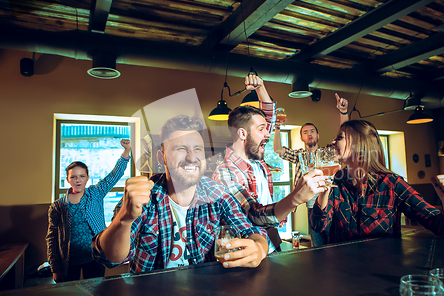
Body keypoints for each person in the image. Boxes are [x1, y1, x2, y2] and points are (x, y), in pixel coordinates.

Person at [92, 115, 283, 274]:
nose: (192, 157)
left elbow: (253, 232)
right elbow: (110, 259)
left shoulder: (217, 194)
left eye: (198, 149)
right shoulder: (145, 197)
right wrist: (123, 220)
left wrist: (258, 248)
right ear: (162, 157)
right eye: (181, 149)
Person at [213, 74, 327, 252]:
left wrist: (260, 88)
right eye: (261, 130)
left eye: (266, 129)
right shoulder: (225, 173)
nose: (267, 134)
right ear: (242, 134)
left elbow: (268, 120)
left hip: (272, 244)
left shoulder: (256, 161)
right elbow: (255, 215)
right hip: (246, 254)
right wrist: (297, 196)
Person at [310, 120, 444, 244]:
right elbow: (318, 226)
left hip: (380, 272)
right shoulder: (336, 181)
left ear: (359, 143)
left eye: (340, 137)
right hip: (340, 273)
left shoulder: (392, 184)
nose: (333, 141)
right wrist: (324, 191)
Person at [46, 139, 131, 283]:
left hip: (95, 256)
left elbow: (114, 176)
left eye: (82, 176)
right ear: (67, 179)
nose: (77, 180)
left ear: (87, 178)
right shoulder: (58, 206)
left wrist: (127, 151)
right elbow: (52, 238)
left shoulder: (96, 193)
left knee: (96, 293)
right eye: (73, 177)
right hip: (68, 261)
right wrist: (55, 268)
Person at [273, 93, 348, 247]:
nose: (309, 134)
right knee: (318, 246)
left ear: (318, 135)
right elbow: (278, 150)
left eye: (312, 131)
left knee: (335, 244)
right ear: (302, 138)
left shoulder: (328, 152)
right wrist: (277, 127)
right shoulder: (299, 155)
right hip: (311, 206)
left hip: (332, 203)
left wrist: (343, 112)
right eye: (305, 132)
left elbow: (344, 136)